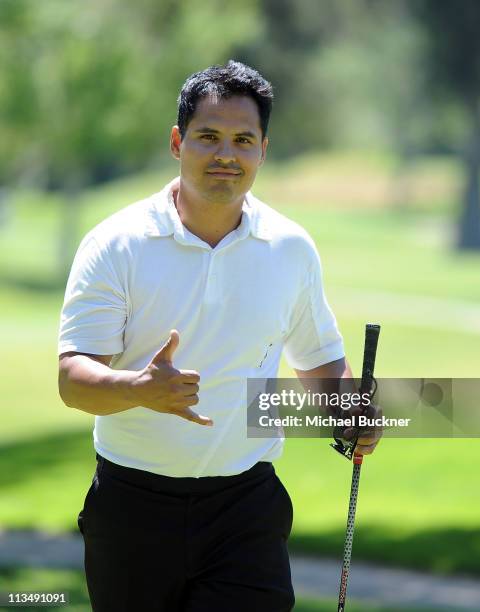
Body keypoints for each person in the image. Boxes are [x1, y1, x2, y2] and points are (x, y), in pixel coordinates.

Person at [58, 60, 381, 612]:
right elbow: (73, 381)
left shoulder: (291, 248)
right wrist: (138, 388)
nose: (226, 154)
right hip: (132, 506)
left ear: (263, 150)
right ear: (177, 142)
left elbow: (323, 365)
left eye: (243, 140)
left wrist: (350, 412)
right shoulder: (115, 244)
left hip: (246, 508)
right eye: (208, 137)